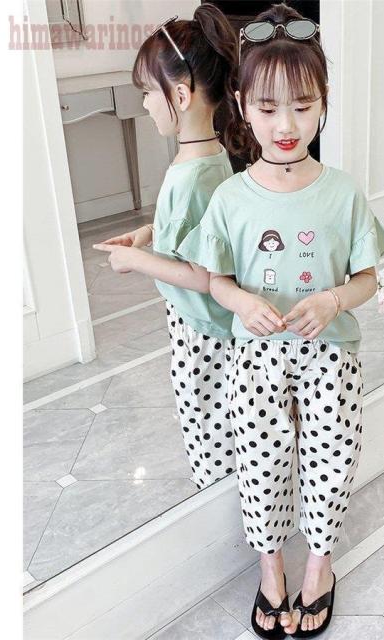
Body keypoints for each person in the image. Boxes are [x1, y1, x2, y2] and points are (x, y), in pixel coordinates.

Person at [177, 3, 384, 637]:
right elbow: (215, 278)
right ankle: (270, 569)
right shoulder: (230, 197)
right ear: (242, 106)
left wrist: (333, 301)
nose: (286, 125)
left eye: (302, 106)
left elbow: (366, 279)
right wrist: (242, 303)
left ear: (323, 104)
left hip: (331, 354)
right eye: (269, 107)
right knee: (261, 462)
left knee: (332, 457)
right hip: (256, 356)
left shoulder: (343, 191)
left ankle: (318, 569)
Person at [93, 4, 239, 490]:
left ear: (179, 93)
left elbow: (202, 275)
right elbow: (196, 231)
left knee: (207, 420)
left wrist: (136, 260)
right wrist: (147, 233)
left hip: (203, 330)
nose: (144, 105)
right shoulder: (208, 156)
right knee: (212, 414)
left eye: (147, 93)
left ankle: (218, 496)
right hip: (200, 324)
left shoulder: (194, 175)